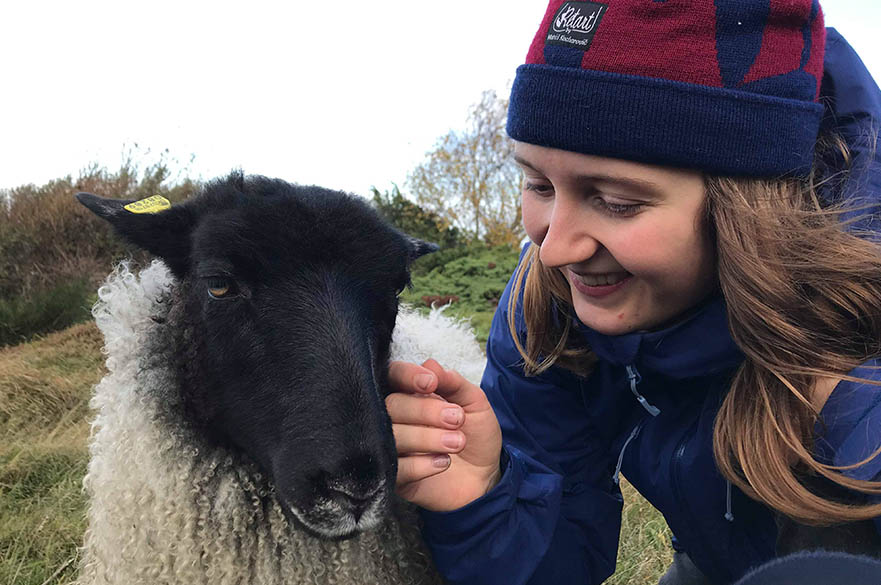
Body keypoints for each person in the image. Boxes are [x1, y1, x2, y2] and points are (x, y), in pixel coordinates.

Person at [386, 1, 881, 584]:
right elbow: (560, 560)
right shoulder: (548, 307)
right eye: (538, 184)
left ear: (750, 210)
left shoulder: (859, 368)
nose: (554, 250)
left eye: (617, 202)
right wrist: (485, 497)